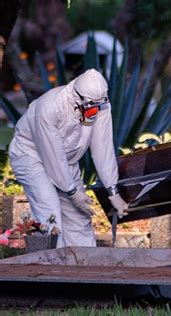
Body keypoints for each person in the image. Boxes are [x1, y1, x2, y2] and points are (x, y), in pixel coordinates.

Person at [9, 69, 128, 248]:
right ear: (76, 96)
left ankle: (83, 270)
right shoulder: (49, 108)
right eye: (90, 105)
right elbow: (52, 155)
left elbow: (102, 146)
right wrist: (72, 192)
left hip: (67, 160)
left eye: (98, 104)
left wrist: (113, 191)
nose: (94, 110)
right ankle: (47, 269)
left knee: (80, 217)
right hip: (31, 156)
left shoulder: (101, 104)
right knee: (49, 212)